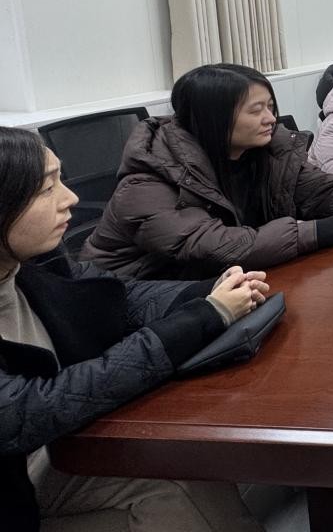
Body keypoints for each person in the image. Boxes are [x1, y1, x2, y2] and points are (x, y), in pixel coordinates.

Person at [0, 126, 269, 532]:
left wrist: (208, 291)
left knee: (186, 462)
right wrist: (204, 316)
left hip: (65, 449)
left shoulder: (35, 264)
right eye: (47, 189)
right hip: (20, 490)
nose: (71, 199)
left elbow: (116, 296)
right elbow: (35, 408)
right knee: (170, 502)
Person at [83, 64, 333, 280]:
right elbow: (215, 247)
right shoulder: (149, 178)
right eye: (255, 110)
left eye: (270, 107)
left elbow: (318, 186)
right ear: (214, 119)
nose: (271, 118)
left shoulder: (264, 150)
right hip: (130, 300)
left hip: (220, 285)